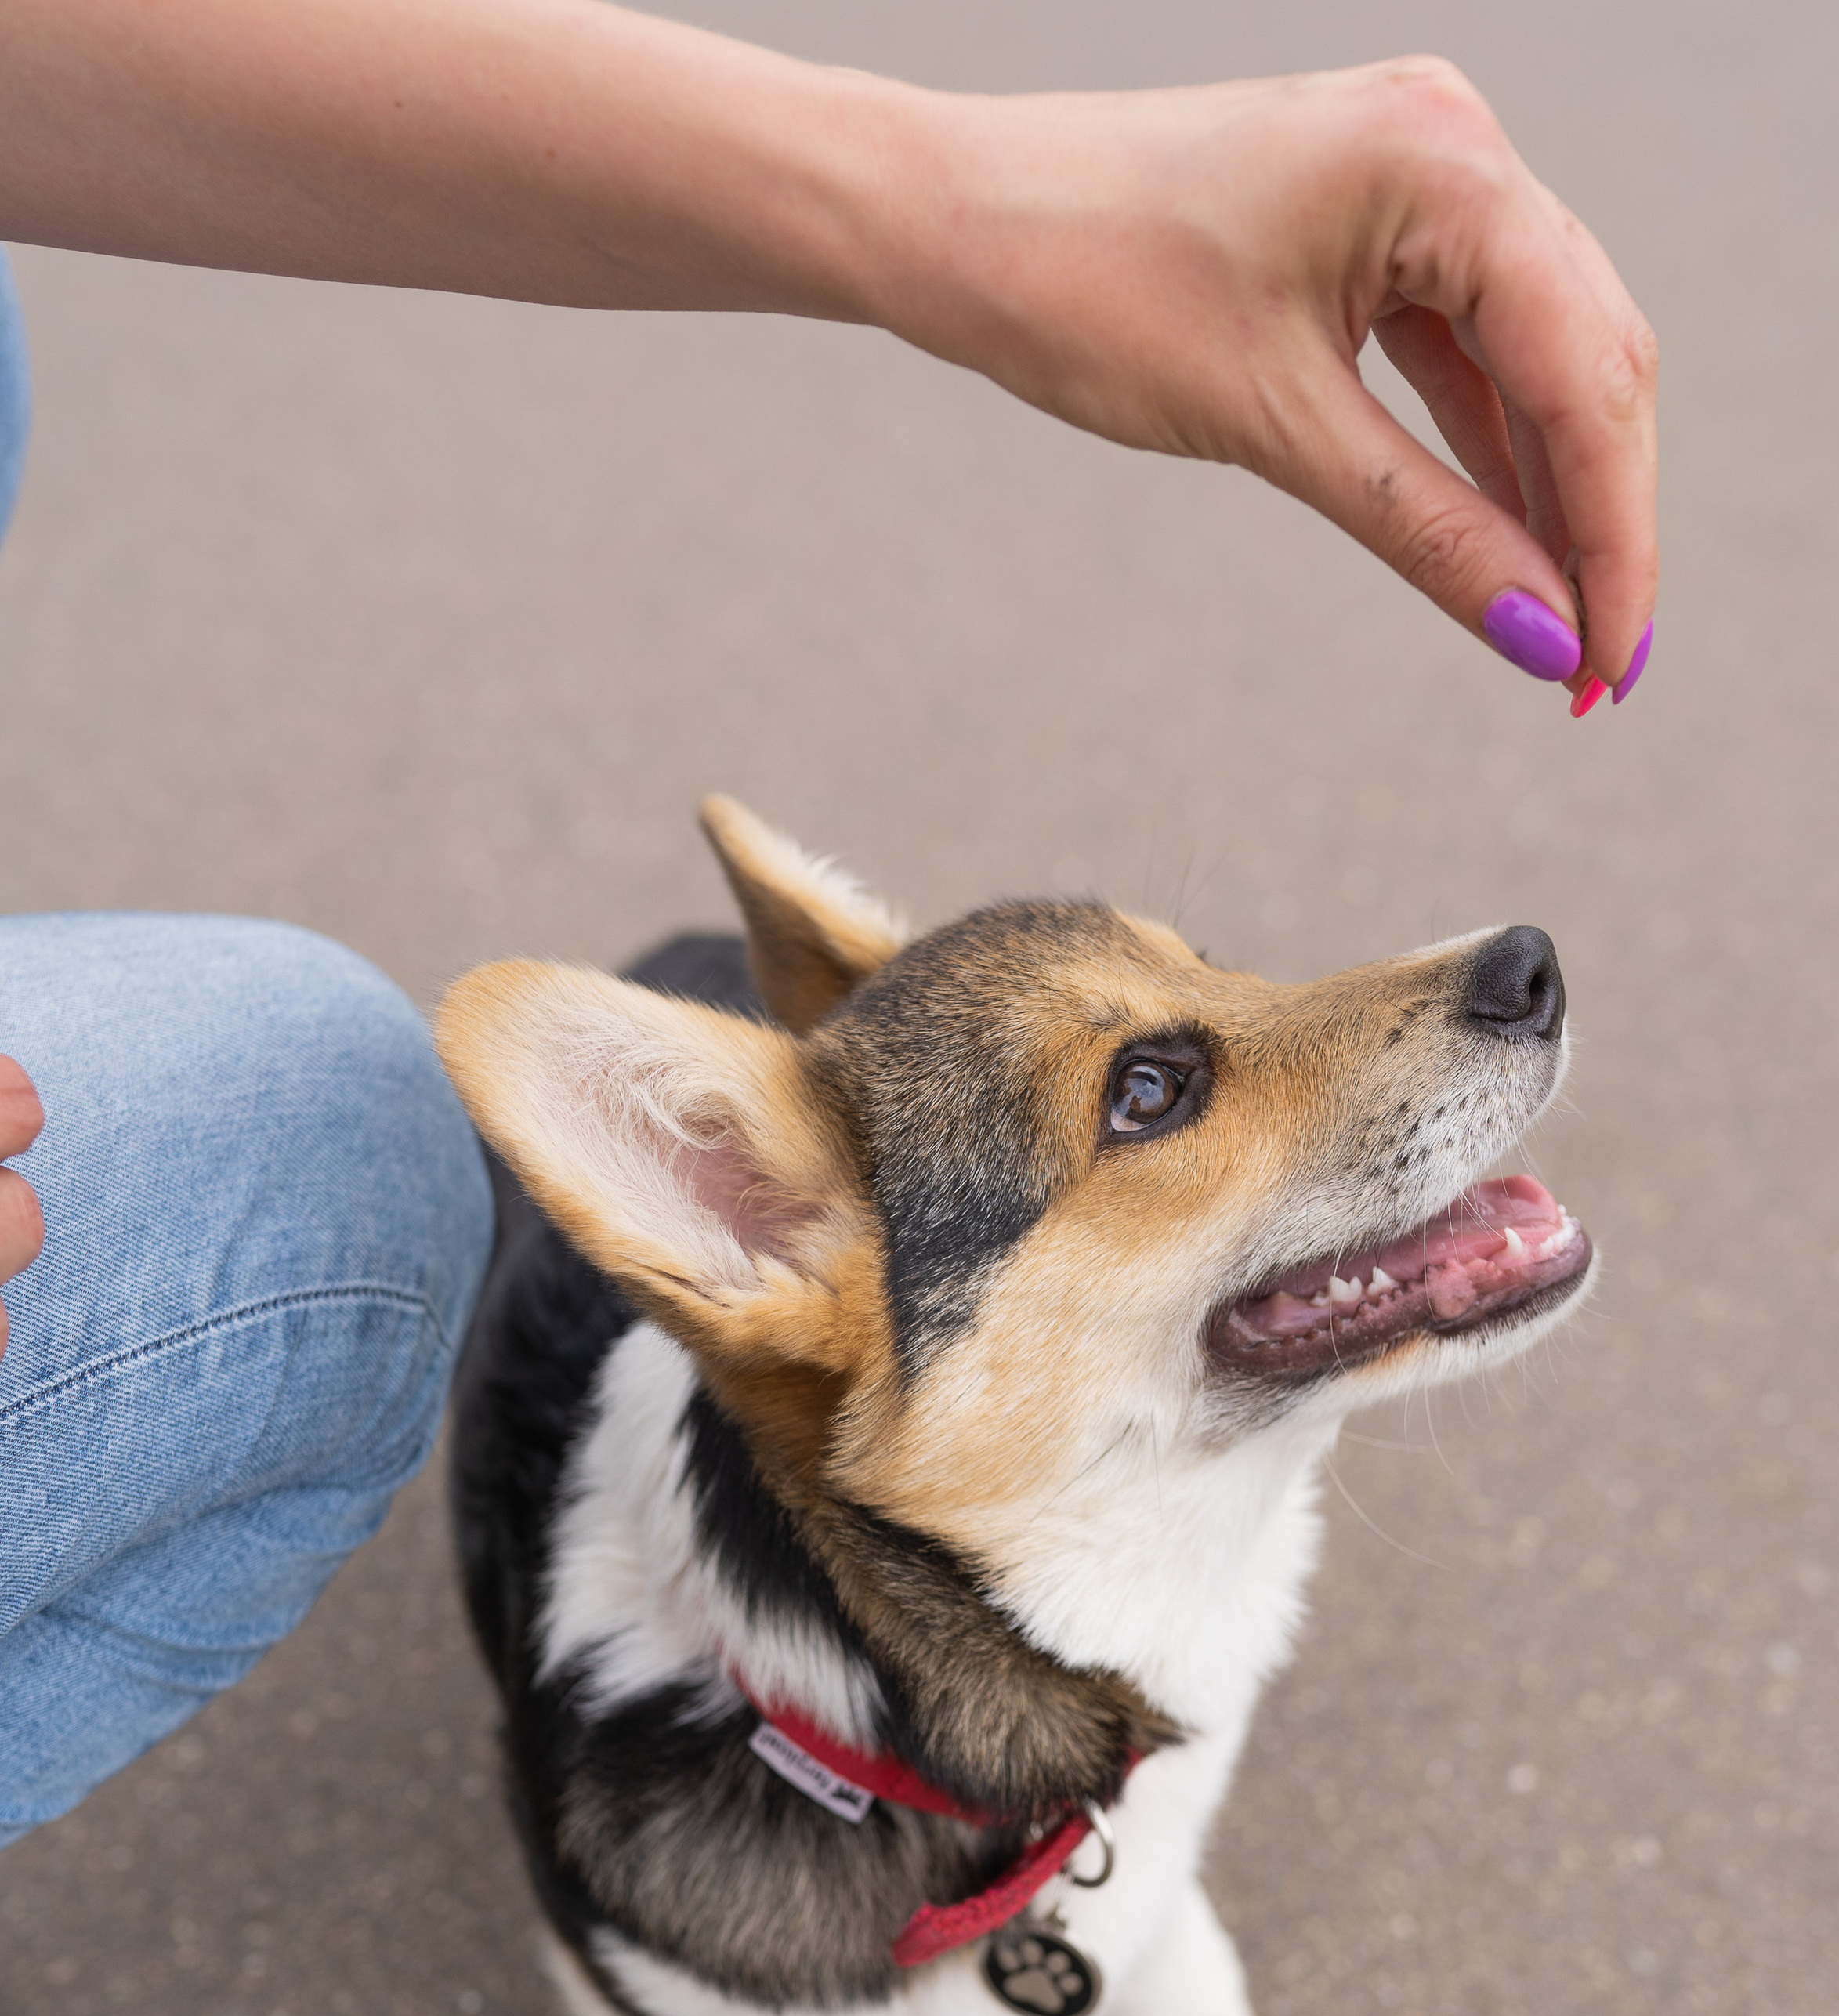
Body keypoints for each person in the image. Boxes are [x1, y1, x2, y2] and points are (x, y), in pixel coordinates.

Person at [0, 2, 1657, 1844]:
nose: (1429, 985)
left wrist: (965, 207)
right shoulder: (810, 1256)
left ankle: (1105, 1877)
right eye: (1149, 1095)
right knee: (329, 1132)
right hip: (776, 1761)